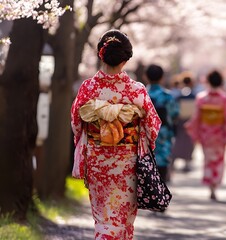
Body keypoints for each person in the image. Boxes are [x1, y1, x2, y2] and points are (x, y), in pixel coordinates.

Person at [71, 29, 161, 239]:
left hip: (97, 160)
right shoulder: (136, 90)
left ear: (100, 55)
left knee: (103, 217)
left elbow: (76, 123)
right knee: (124, 218)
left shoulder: (88, 88)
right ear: (126, 58)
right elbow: (152, 127)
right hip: (126, 163)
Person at [185, 70, 226, 201]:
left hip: (206, 134)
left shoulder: (202, 98)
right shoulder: (224, 98)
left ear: (208, 81)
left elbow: (196, 117)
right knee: (218, 160)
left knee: (208, 160)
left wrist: (191, 127)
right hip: (219, 134)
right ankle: (215, 183)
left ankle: (210, 185)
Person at [146, 64, 179, 182]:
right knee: (161, 171)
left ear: (146, 77)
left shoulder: (141, 94)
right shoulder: (167, 96)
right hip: (163, 135)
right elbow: (175, 114)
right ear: (162, 78)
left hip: (144, 136)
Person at [171, 73, 197, 172]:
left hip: (180, 120)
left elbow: (175, 109)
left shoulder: (179, 95)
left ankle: (173, 162)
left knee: (178, 142)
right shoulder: (194, 95)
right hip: (190, 121)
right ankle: (187, 163)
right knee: (188, 143)